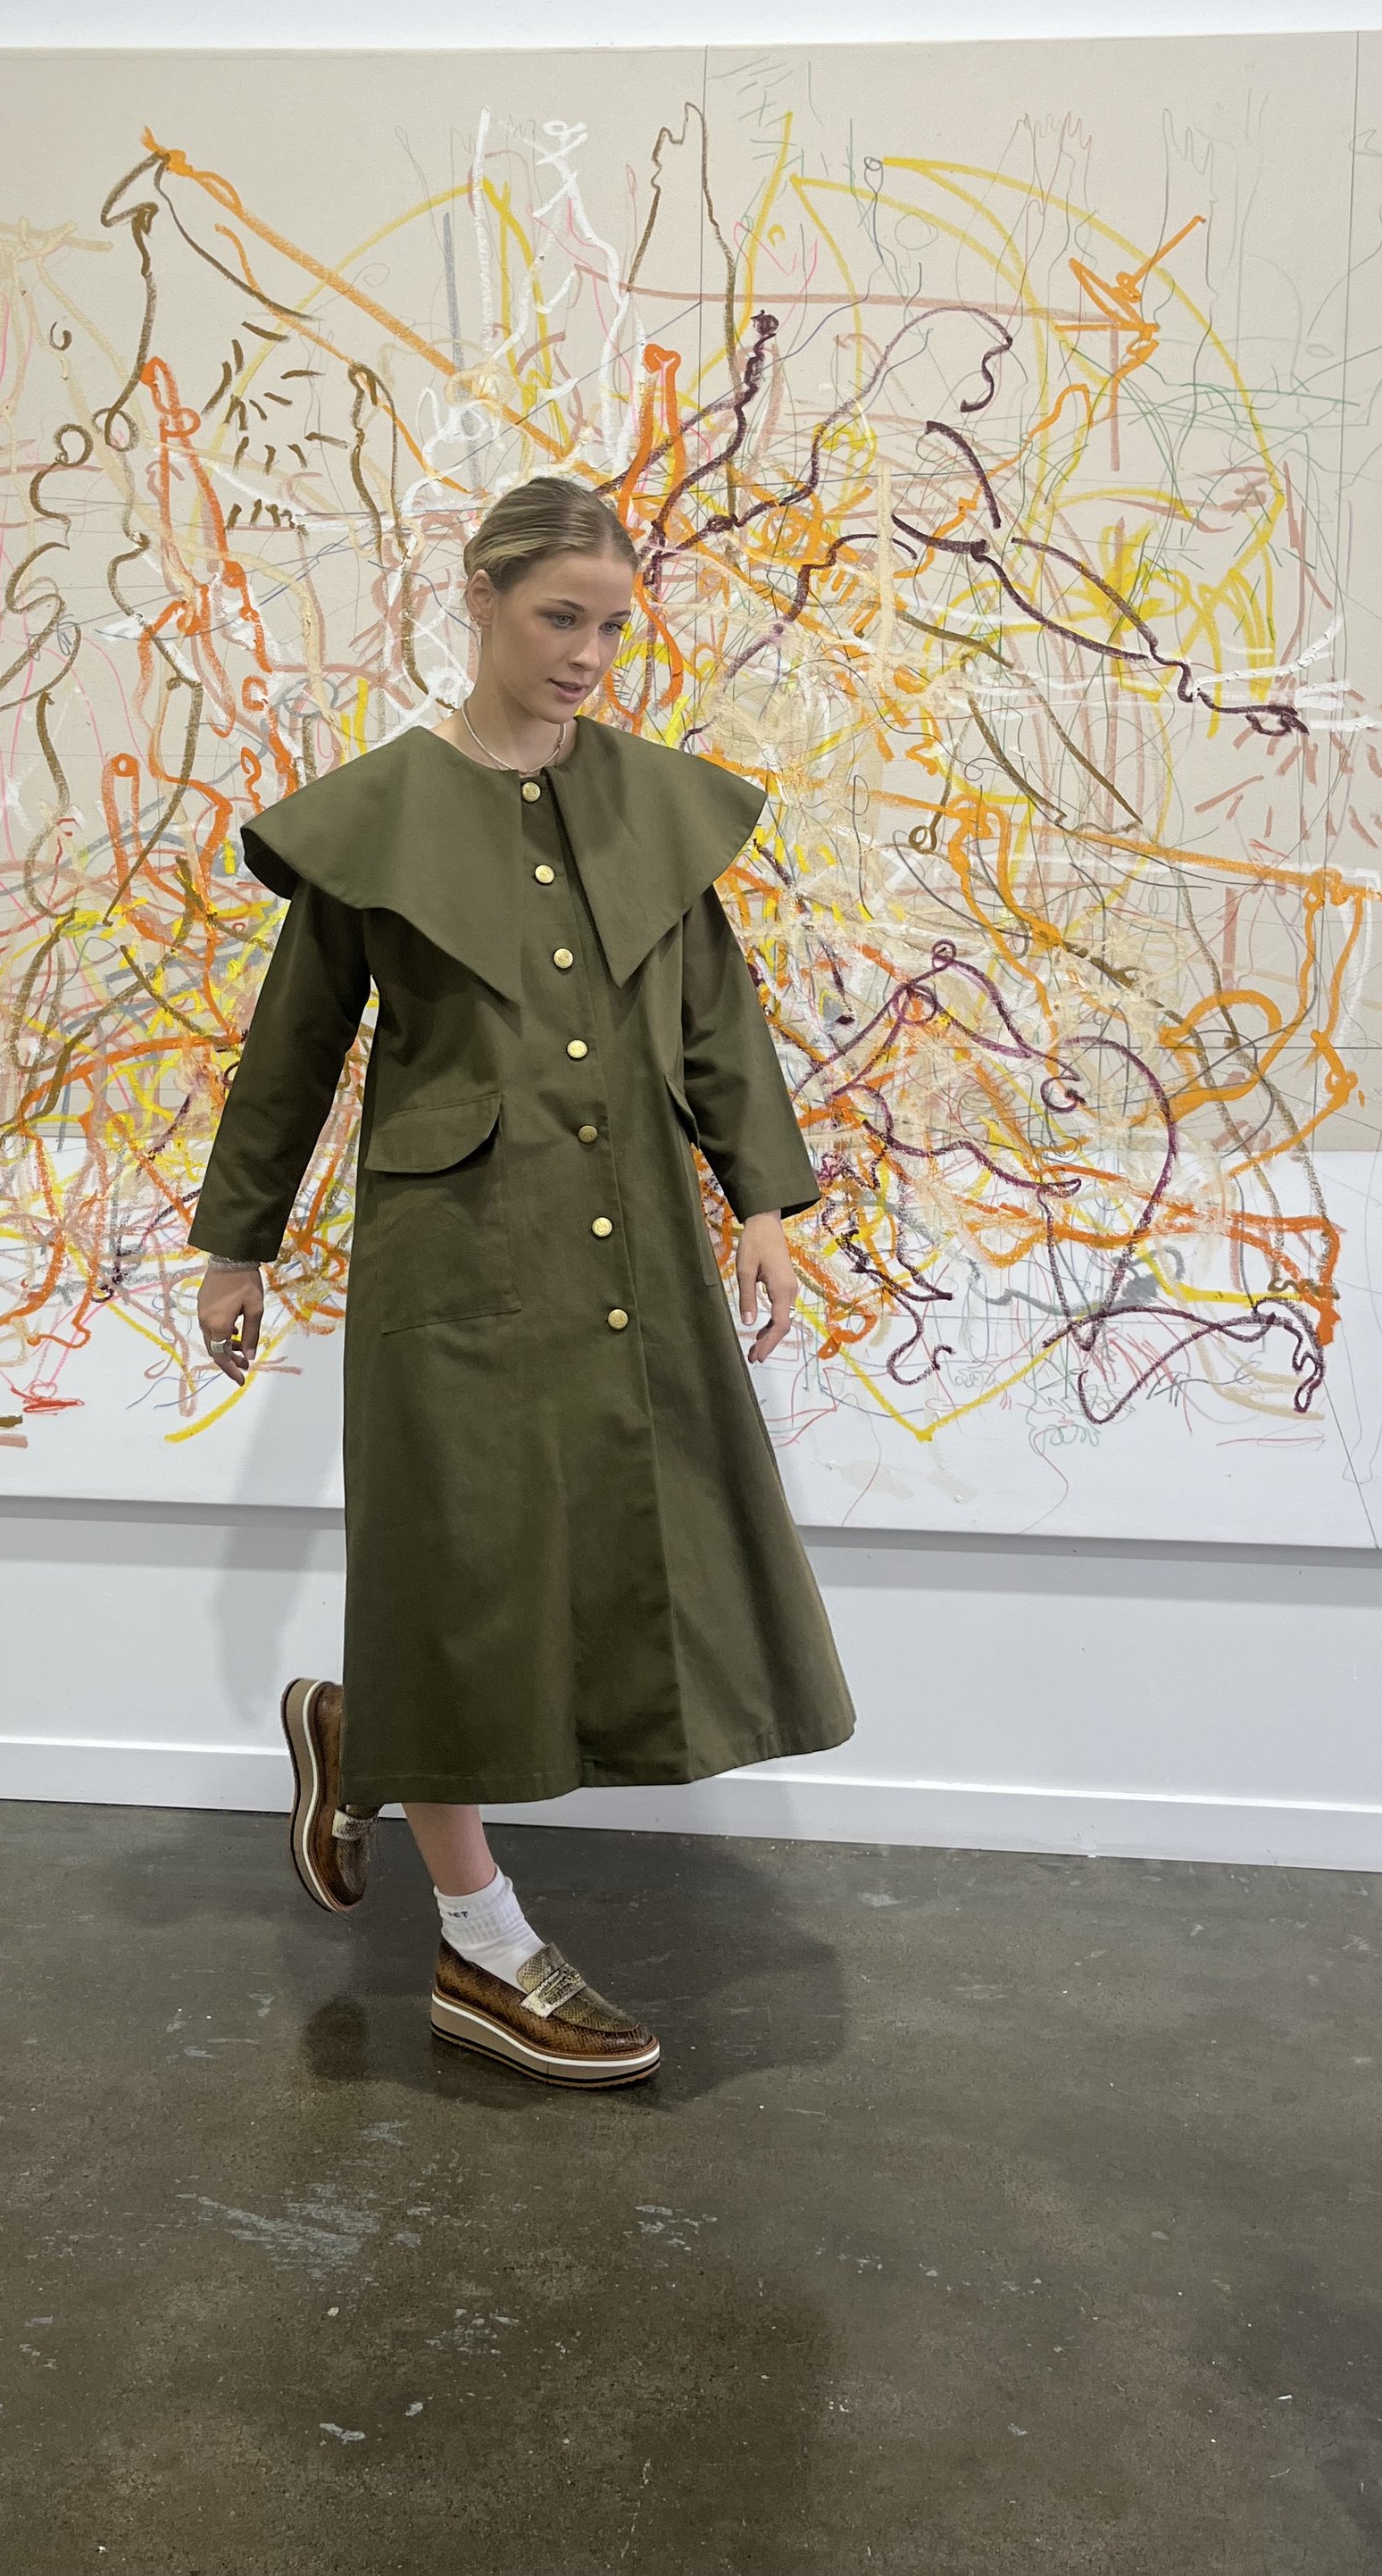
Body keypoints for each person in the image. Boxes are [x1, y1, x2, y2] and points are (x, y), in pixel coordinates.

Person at [189, 476, 854, 2088]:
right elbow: (293, 1047)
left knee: (597, 1556)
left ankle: (365, 1727)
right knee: (467, 1559)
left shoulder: (650, 804)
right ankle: (480, 1942)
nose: (589, 654)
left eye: (613, 626)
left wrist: (766, 1200)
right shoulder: (379, 817)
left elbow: (715, 1012)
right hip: (454, 1253)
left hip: (632, 1242)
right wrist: (236, 1240)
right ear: (479, 597)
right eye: (561, 616)